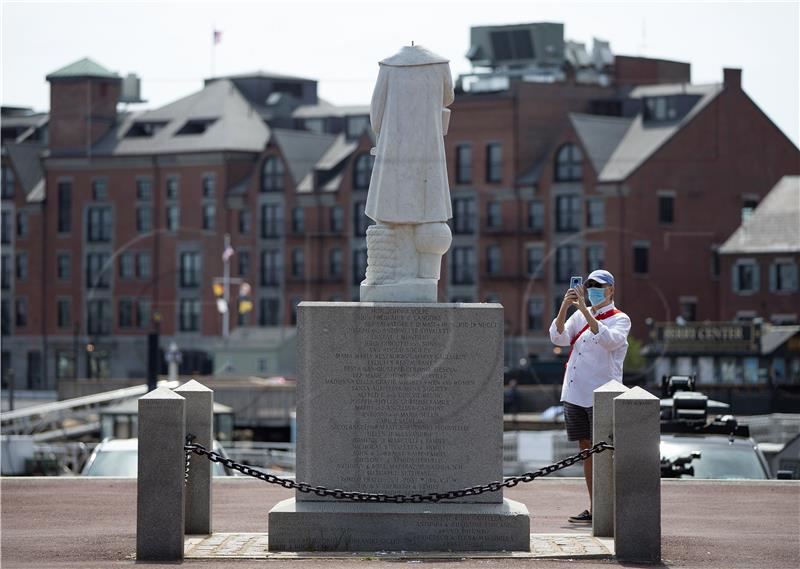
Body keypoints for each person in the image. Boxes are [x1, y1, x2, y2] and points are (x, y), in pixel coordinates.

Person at [548, 269, 630, 524]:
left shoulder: (620, 318)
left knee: (603, 450)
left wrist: (584, 310)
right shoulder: (579, 315)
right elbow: (558, 337)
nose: (594, 289)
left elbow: (609, 341)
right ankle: (595, 506)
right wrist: (565, 305)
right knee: (585, 449)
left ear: (611, 290)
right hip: (575, 392)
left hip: (601, 393)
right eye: (590, 285)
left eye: (599, 286)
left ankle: (609, 507)